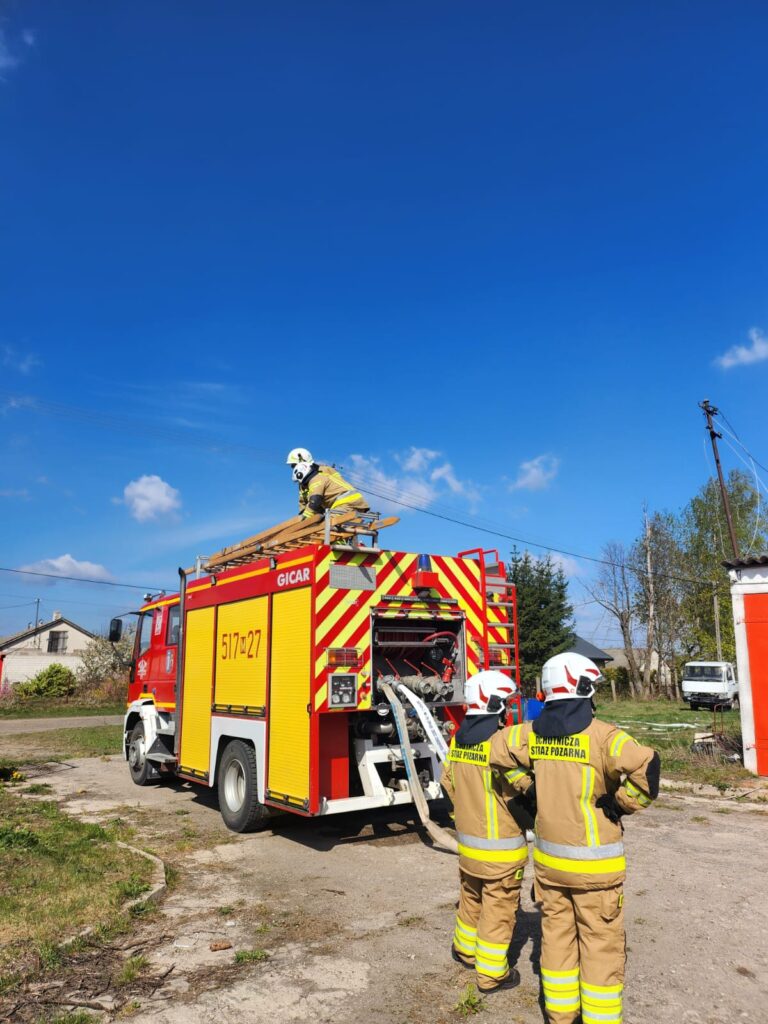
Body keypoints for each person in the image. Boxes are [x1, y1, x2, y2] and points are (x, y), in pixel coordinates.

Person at [489, 652, 660, 1024]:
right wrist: (621, 804)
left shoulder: (528, 734)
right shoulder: (604, 736)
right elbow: (648, 768)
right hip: (596, 870)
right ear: (583, 687)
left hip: (550, 867)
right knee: (600, 945)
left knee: (556, 939)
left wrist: (528, 787)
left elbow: (496, 752)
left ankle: (560, 1015)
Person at [440, 669, 535, 994]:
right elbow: (523, 786)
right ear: (494, 704)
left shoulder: (458, 740)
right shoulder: (500, 743)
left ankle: (464, 950)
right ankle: (492, 975)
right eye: (505, 703)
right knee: (499, 908)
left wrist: (462, 819)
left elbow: (447, 783)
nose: (507, 710)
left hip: (469, 847)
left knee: (471, 897)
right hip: (501, 851)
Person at [285, 447, 370, 520]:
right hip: (330, 508)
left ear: (302, 460)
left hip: (342, 504)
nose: (294, 468)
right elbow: (304, 502)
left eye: (294, 465)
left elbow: (337, 487)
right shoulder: (303, 482)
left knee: (326, 526)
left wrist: (307, 516)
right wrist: (303, 517)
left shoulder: (324, 471)